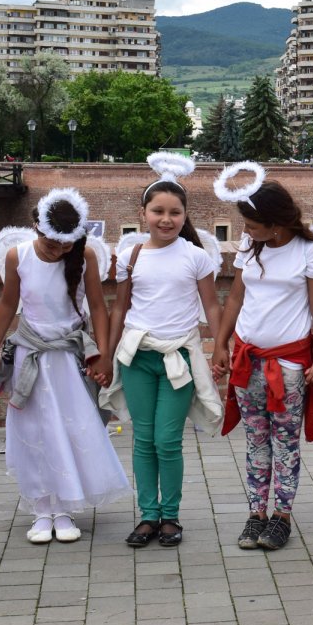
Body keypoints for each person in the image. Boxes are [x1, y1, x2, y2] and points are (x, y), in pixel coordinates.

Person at [0, 188, 130, 544]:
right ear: (36, 226)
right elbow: (7, 305)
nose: (58, 251)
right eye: (51, 243)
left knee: (70, 427)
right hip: (31, 355)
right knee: (35, 429)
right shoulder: (17, 256)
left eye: (65, 246)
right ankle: (41, 508)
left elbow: (98, 306)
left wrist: (103, 352)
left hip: (68, 357)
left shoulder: (86, 258)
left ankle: (64, 506)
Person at [104, 153, 223, 548]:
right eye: (158, 211)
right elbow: (120, 306)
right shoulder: (130, 256)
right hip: (138, 356)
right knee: (143, 437)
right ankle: (148, 515)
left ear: (185, 215)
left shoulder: (195, 256)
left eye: (175, 212)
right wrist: (106, 354)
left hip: (179, 359)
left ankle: (170, 515)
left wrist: (222, 348)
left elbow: (211, 306)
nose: (166, 219)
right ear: (144, 213)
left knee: (167, 439)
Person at [211, 170, 313, 552]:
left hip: (290, 367)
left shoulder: (309, 251)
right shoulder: (251, 247)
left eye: (251, 224)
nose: (246, 230)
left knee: (285, 443)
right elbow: (234, 299)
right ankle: (255, 513)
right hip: (248, 362)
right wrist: (220, 343)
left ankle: (282, 516)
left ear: (276, 224)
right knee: (255, 442)